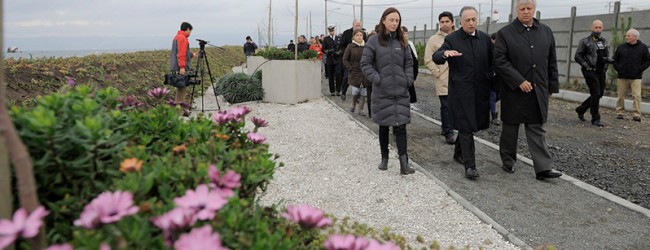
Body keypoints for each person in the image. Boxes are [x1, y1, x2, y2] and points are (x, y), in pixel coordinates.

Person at [494, 0, 563, 180]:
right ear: (516, 10)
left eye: (529, 8)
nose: (526, 12)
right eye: (522, 9)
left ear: (534, 9)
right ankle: (508, 161)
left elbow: (551, 61)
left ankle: (543, 168)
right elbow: (500, 61)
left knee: (536, 128)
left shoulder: (546, 32)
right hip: (514, 90)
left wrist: (551, 86)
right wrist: (518, 80)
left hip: (537, 89)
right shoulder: (505, 33)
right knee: (510, 129)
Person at [432, 6, 493, 179]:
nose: (472, 23)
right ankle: (470, 166)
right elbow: (436, 56)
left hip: (480, 91)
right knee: (466, 126)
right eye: (468, 20)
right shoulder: (452, 39)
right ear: (461, 21)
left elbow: (492, 61)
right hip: (461, 91)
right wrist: (445, 53)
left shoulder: (485, 39)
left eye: (474, 19)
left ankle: (458, 153)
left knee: (473, 125)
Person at [361, 7, 416, 175]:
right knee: (384, 125)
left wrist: (408, 80)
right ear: (383, 20)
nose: (394, 23)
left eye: (397, 20)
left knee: (401, 126)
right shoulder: (373, 41)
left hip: (400, 91)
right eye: (391, 20)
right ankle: (384, 158)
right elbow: (365, 64)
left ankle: (404, 163)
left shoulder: (402, 42)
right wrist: (378, 80)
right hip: (382, 91)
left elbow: (409, 63)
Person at [425, 11, 457, 144]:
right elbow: (427, 59)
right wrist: (437, 72)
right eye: (442, 22)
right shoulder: (434, 39)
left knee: (455, 105)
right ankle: (449, 133)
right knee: (446, 105)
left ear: (452, 22)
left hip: (459, 78)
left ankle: (446, 127)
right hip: (443, 78)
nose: (444, 24)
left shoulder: (459, 36)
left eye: (447, 21)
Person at [574, 20, 610, 127]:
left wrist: (606, 65)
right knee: (596, 93)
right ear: (592, 28)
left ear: (602, 28)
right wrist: (586, 66)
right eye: (596, 27)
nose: (598, 29)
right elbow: (577, 56)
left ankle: (581, 109)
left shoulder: (603, 41)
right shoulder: (585, 41)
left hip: (600, 71)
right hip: (589, 70)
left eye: (600, 27)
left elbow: (606, 55)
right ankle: (595, 119)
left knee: (600, 93)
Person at [613, 28, 650, 122]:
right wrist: (618, 68)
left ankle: (636, 114)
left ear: (635, 37)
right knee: (621, 95)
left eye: (628, 36)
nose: (626, 37)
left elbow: (647, 60)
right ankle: (620, 112)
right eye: (626, 35)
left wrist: (640, 69)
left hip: (636, 77)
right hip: (622, 76)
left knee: (636, 96)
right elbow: (615, 59)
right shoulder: (621, 47)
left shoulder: (643, 47)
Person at [170, 21, 194, 115]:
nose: (190, 33)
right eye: (190, 31)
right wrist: (182, 67)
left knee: (180, 88)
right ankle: (179, 111)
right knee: (182, 88)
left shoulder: (177, 37)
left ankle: (181, 110)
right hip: (180, 67)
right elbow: (181, 54)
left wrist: (192, 54)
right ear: (187, 29)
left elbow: (182, 52)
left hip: (176, 66)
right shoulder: (182, 38)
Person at [343, 29, 369, 115]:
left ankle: (360, 109)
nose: (359, 37)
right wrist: (350, 68)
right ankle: (353, 104)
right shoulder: (350, 46)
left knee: (364, 92)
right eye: (357, 35)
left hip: (364, 72)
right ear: (354, 36)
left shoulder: (366, 46)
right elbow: (345, 59)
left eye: (361, 35)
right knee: (355, 91)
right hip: (354, 72)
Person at [340, 19, 367, 101]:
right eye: (357, 25)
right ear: (353, 25)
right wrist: (348, 53)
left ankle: (357, 97)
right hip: (350, 60)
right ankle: (343, 92)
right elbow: (342, 45)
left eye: (359, 25)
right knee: (346, 77)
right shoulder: (346, 33)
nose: (358, 27)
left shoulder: (363, 34)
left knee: (359, 79)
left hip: (360, 61)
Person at [323, 26, 343, 96]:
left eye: (332, 31)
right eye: (330, 31)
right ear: (329, 31)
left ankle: (338, 90)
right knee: (330, 75)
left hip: (337, 59)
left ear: (334, 31)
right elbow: (323, 49)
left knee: (338, 74)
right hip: (330, 59)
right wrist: (328, 51)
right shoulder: (326, 39)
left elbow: (342, 47)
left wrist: (340, 52)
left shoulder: (339, 38)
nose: (331, 32)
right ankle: (332, 91)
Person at [402, 26, 419, 109]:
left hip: (408, 75)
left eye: (405, 33)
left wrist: (413, 76)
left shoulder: (409, 44)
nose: (404, 35)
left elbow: (415, 60)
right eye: (402, 33)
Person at [489, 33, 502, 126]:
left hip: (500, 78)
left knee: (498, 96)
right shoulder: (489, 50)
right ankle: (494, 117)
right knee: (492, 96)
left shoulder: (502, 50)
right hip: (491, 78)